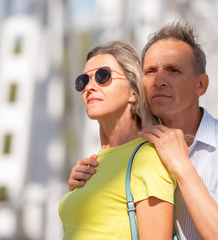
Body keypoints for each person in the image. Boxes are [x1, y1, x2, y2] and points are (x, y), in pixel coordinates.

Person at [68, 23, 218, 240]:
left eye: (173, 70)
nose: (159, 81)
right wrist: (85, 185)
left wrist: (181, 165)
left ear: (201, 85)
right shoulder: (139, 151)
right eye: (150, 71)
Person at [59, 40, 176, 239]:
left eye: (102, 76)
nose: (90, 87)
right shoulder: (94, 163)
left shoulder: (147, 158)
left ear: (133, 92)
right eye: (83, 81)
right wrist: (75, 192)